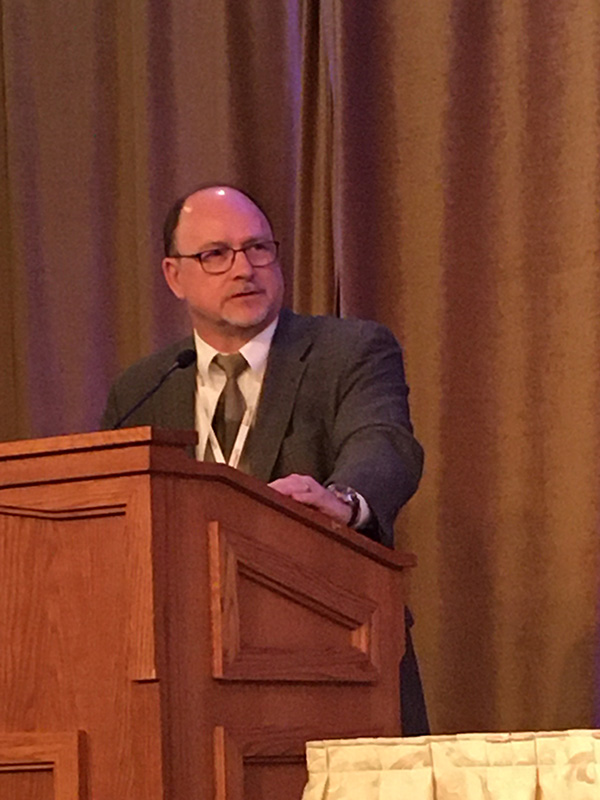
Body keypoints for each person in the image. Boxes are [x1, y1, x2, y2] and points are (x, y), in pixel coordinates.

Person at [101, 184, 428, 731]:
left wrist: (344, 501)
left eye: (257, 248)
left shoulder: (347, 352)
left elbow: (385, 442)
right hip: (187, 678)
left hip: (335, 653)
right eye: (215, 254)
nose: (243, 269)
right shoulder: (143, 388)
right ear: (174, 275)